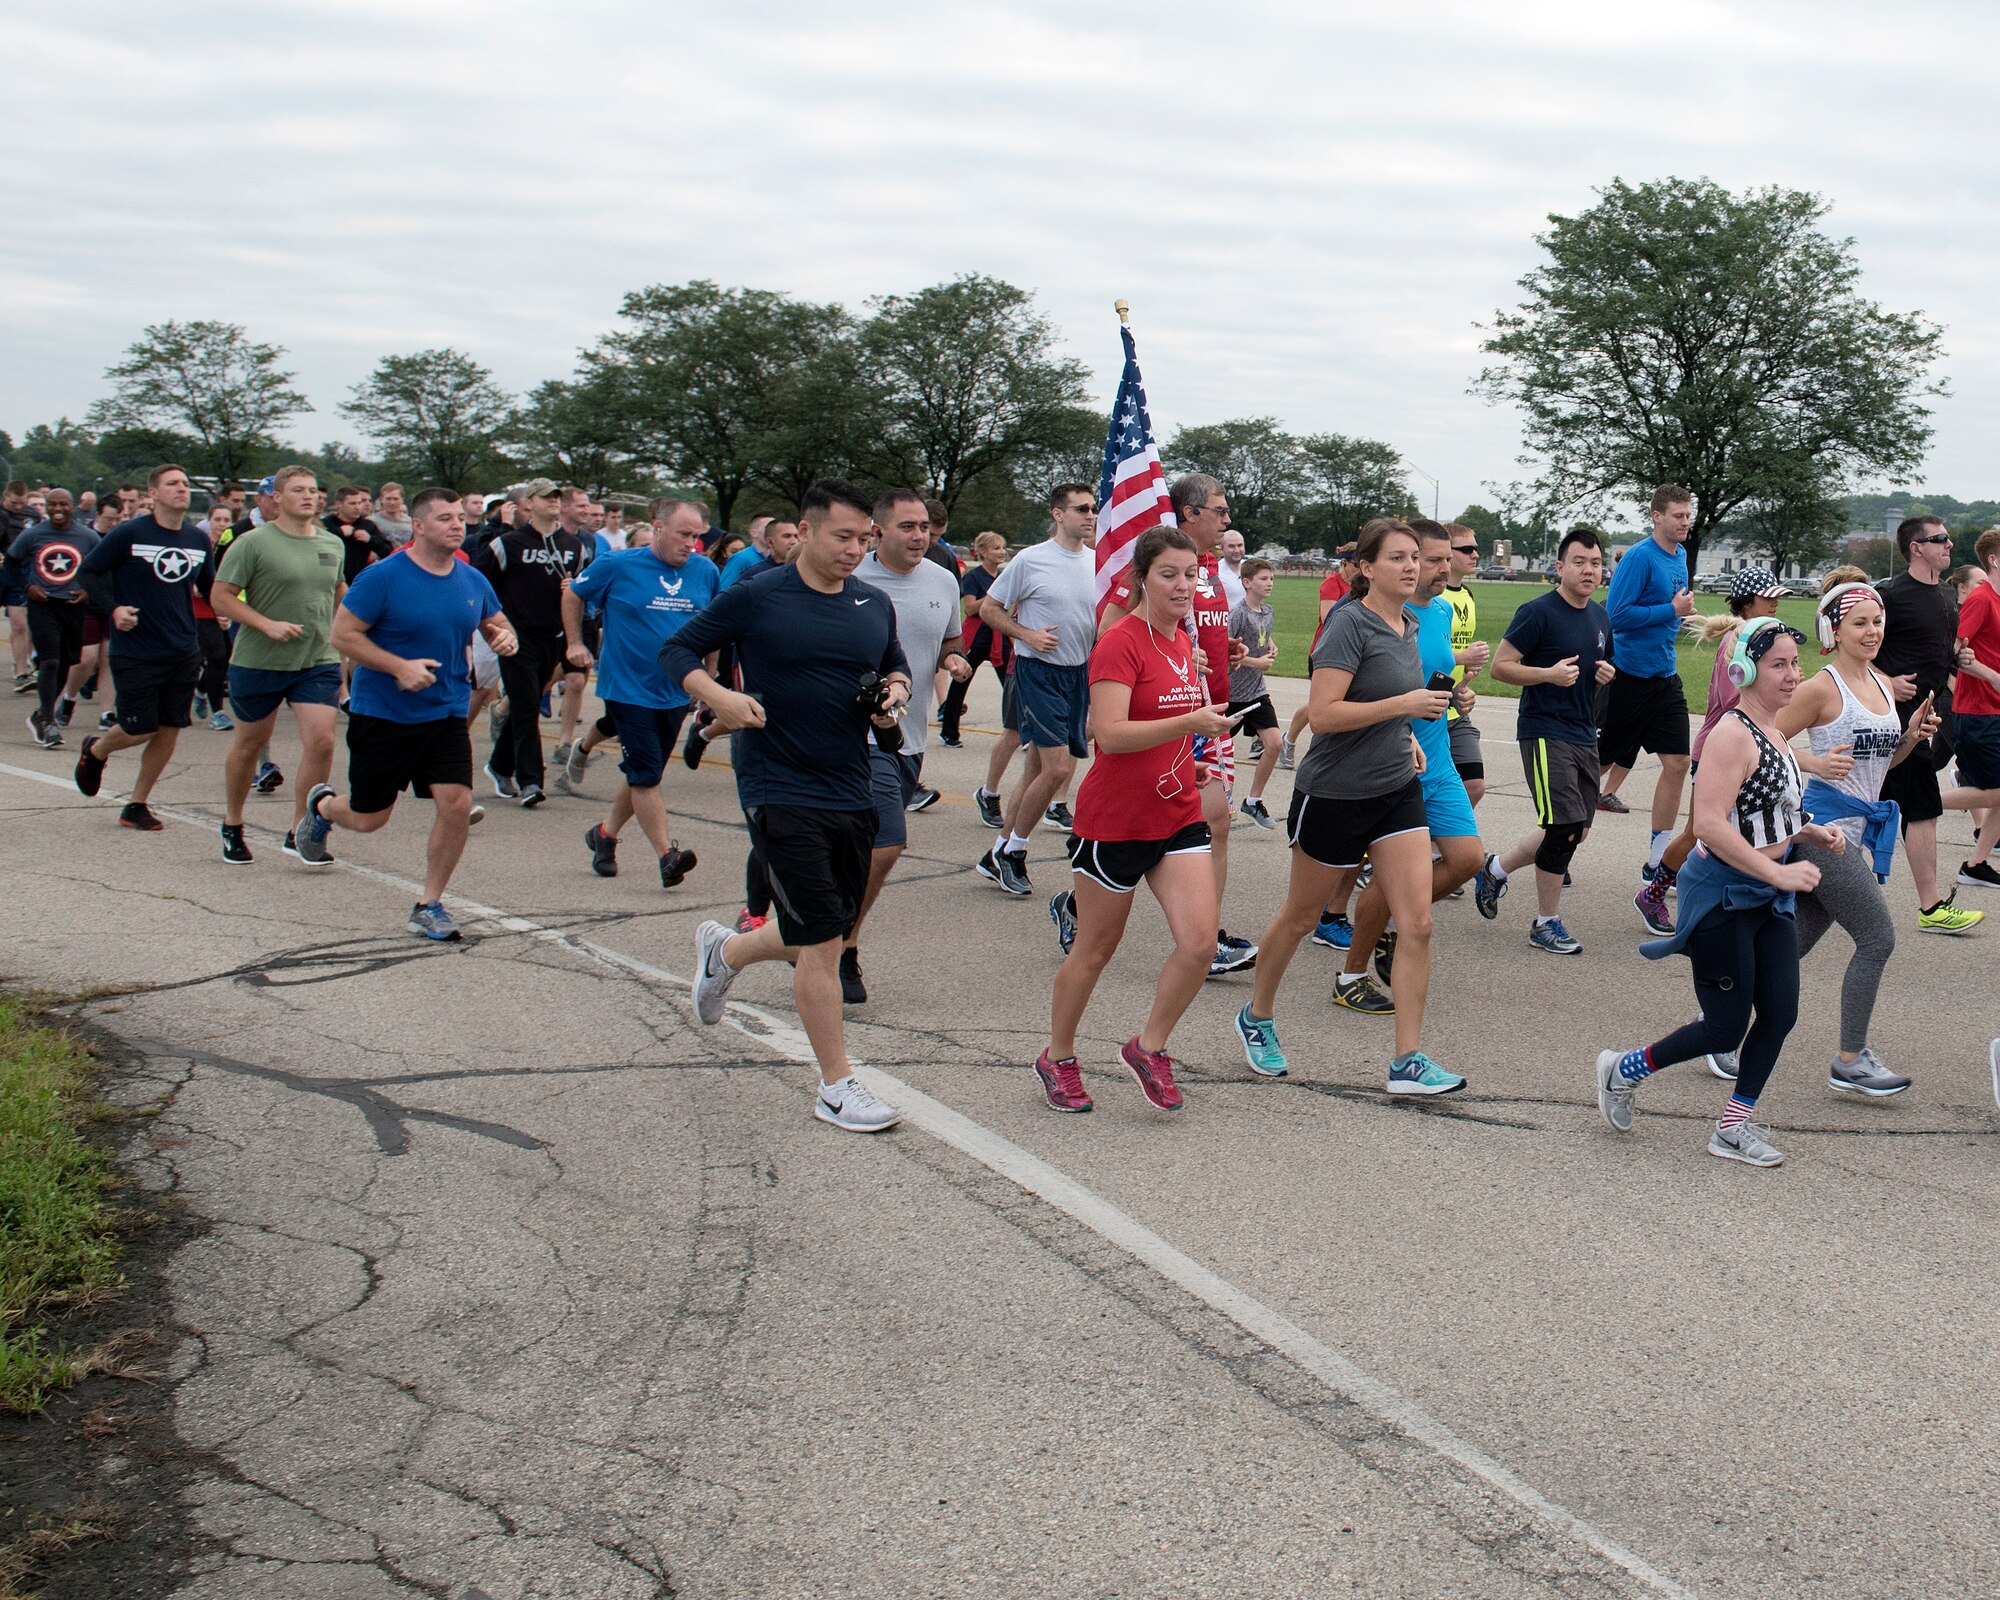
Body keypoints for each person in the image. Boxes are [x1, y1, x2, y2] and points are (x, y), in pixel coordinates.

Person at [668, 478, 912, 1135]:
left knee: (821, 924)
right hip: (778, 784)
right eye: (843, 537)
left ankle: (728, 953)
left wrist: (895, 692)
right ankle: (837, 1086)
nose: (856, 550)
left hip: (850, 781)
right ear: (803, 533)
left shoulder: (870, 602)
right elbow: (678, 650)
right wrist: (715, 696)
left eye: (865, 538)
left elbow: (894, 665)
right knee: (824, 943)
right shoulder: (758, 596)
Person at [1595, 619, 1851, 1168]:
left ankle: (1732, 1127)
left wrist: (1807, 831)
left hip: (1764, 895)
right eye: (1778, 665)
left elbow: (1767, 807)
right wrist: (1779, 872)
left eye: (1794, 664)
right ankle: (1623, 1069)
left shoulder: (1777, 730)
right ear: (1747, 671)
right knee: (1724, 1026)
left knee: (1780, 1014)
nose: (1791, 675)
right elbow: (1709, 824)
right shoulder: (1732, 734)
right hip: (1723, 894)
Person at [1234, 518, 1464, 1094]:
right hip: (1335, 793)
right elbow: (1325, 714)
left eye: (1415, 557)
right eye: (1397, 558)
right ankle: (1257, 1015)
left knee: (1418, 923)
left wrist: (1408, 731)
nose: (1411, 567)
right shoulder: (1348, 624)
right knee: (1301, 917)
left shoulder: (1409, 622)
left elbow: (1390, 701)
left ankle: (1407, 1061)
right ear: (1366, 568)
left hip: (1395, 791)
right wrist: (1403, 705)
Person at [1033, 526, 1227, 1113]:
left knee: (1198, 944)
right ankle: (1058, 1056)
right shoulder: (1120, 641)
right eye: (1168, 573)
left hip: (1176, 814)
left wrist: (1188, 762)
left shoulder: (1179, 642)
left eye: (1190, 575)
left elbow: (1166, 725)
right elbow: (1109, 736)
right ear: (1141, 578)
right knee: (1095, 948)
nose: (1182, 585)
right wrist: (1189, 726)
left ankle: (1150, 1046)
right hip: (1114, 821)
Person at [295, 491, 517, 938]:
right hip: (384, 714)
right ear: (418, 525)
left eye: (460, 518)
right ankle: (322, 807)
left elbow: (498, 622)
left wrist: (504, 639)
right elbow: (342, 635)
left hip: (446, 714)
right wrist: (398, 666)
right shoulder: (382, 577)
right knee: (370, 818)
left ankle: (429, 903)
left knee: (455, 804)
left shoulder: (472, 580)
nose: (457, 525)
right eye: (444, 518)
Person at [1769, 575, 1929, 1096]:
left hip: (1857, 830)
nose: (1872, 631)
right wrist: (1814, 760)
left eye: (1877, 621)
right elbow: (1761, 739)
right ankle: (1850, 1058)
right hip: (1822, 828)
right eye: (1859, 623)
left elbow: (1882, 765)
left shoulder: (1882, 684)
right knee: (1878, 937)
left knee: (1791, 945)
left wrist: (1909, 737)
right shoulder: (1821, 686)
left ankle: (1722, 1029)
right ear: (1833, 632)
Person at [1325, 521, 1486, 1008]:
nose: (1436, 569)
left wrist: (1457, 693)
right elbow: (1343, 698)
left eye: (1438, 560)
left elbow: (1431, 676)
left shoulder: (1435, 613)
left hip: (1437, 758)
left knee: (1467, 860)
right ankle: (1351, 973)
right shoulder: (1362, 619)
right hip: (1395, 763)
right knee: (1392, 879)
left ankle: (1391, 922)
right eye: (1427, 559)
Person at [844, 490, 970, 1002]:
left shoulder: (943, 578)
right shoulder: (851, 579)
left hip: (908, 737)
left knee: (860, 848)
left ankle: (822, 934)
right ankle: (843, 947)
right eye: (907, 527)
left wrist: (953, 661)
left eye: (925, 527)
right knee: (887, 843)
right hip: (856, 733)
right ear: (877, 532)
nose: (920, 536)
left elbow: (948, 641)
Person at [1474, 526, 1616, 954]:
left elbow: (1596, 665)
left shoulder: (1599, 616)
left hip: (1582, 731)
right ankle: (1545, 922)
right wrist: (1548, 674)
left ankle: (1496, 869)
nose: (1589, 570)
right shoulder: (1537, 611)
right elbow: (1501, 667)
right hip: (1543, 731)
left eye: (1595, 563)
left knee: (1578, 828)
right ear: (1560, 567)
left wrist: (1603, 673)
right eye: (1579, 562)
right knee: (1564, 825)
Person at [562, 497, 715, 889]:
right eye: (683, 534)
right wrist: (575, 643)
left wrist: (709, 677)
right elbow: (573, 594)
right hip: (627, 688)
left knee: (643, 774)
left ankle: (605, 835)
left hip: (676, 689)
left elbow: (715, 624)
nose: (690, 544)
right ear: (658, 526)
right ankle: (668, 856)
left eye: (696, 536)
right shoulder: (618, 564)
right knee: (646, 776)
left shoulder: (705, 571)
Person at [1633, 567, 1789, 936]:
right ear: (1749, 604)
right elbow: (1736, 701)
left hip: (1750, 753)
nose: (1776, 602)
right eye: (1769, 596)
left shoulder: (1761, 640)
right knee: (1697, 833)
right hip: (1719, 752)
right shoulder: (1736, 643)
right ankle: (1652, 894)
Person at [208, 466, 347, 866]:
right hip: (259, 659)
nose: (309, 496)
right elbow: (222, 596)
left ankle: (301, 829)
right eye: (298, 490)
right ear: (277, 497)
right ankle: (233, 823)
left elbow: (341, 593)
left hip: (316, 658)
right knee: (250, 744)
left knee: (321, 741)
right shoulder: (252, 543)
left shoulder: (331, 544)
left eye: (314, 490)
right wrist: (265, 624)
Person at [74, 465, 217, 829]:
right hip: (136, 647)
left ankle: (137, 804)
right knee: (140, 728)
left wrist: (230, 611)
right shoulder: (130, 533)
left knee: (169, 728)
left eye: (185, 483)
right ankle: (96, 750)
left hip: (183, 647)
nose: (182, 489)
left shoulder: (197, 540)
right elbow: (89, 572)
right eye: (173, 484)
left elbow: (211, 587)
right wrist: (114, 608)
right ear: (153, 493)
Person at [973, 482, 1097, 897]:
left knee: (1037, 770)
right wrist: (1025, 634)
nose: (1090, 515)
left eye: (1092, 508)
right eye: (1081, 508)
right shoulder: (1031, 560)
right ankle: (1015, 852)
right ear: (1058, 514)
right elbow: (989, 609)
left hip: (1077, 674)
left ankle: (997, 851)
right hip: (1037, 672)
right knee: (1059, 769)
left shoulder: (1097, 564)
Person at [1875, 514, 1984, 932]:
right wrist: (1886, 680)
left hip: (1925, 716)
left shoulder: (1944, 596)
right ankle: (1932, 905)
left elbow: (1935, 649)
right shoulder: (1889, 596)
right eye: (1939, 539)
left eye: (1949, 539)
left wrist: (1958, 659)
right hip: (1890, 718)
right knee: (1919, 809)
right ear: (1916, 548)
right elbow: (1846, 646)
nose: (1949, 545)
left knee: (1894, 806)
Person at [1595, 486, 1697, 885]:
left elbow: (1675, 608)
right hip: (1628, 678)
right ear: (1657, 516)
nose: (1684, 522)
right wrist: (1670, 610)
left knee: (1678, 763)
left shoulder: (1681, 556)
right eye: (1677, 515)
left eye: (1687, 515)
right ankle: (1559, 838)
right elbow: (1615, 616)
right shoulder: (1639, 557)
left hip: (1664, 677)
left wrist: (1683, 618)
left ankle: (1658, 861)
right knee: (1598, 766)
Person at [473, 477, 593, 806]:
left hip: (553, 636)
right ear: (530, 503)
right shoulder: (508, 543)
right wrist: (494, 624)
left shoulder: (575, 546)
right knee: (526, 706)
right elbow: (478, 579)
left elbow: (586, 591)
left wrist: (577, 631)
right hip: (515, 635)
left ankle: (499, 766)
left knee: (525, 703)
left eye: (556, 496)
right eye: (545, 497)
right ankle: (530, 781)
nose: (553, 501)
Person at [7, 489, 96, 747]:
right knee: (50, 662)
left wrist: (87, 591)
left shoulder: (87, 536)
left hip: (73, 605)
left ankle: (40, 714)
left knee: (67, 662)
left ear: (72, 506)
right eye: (53, 504)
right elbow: (12, 562)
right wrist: (27, 587)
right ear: (46, 507)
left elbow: (101, 566)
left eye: (63, 504)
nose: (58, 508)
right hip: (43, 604)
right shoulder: (33, 534)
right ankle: (49, 722)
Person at [1950, 528, 2000, 890]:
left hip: (1995, 709)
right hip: (1978, 710)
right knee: (1993, 791)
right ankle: (1911, 804)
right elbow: (1954, 650)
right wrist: (1992, 676)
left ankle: (1976, 864)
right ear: (1994, 560)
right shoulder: (1981, 599)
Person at [1277, 544, 1356, 769]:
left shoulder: (1365, 585)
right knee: (1321, 706)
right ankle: (1289, 739)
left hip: (1352, 653)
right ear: (1344, 563)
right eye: (1356, 565)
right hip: (1325, 653)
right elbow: (1329, 616)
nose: (1360, 570)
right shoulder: (1331, 584)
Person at [937, 531, 1010, 748]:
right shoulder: (973, 577)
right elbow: (969, 608)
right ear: (983, 552)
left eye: (1002, 547)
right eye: (996, 548)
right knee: (961, 682)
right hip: (977, 636)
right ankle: (949, 731)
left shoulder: (1003, 577)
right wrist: (993, 598)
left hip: (999, 635)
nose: (1002, 552)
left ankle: (1019, 732)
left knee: (1012, 685)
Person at [1227, 558, 1281, 825]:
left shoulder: (1267, 612)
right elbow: (1224, 652)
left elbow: (1263, 634)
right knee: (1211, 752)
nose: (1269, 582)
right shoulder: (1237, 614)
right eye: (1263, 578)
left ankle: (1252, 801)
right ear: (1247, 583)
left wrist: (1271, 646)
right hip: (1232, 695)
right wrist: (1256, 662)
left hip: (1256, 692)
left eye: (1271, 578)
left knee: (1275, 744)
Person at [1442, 525, 1490, 808]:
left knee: (1474, 785)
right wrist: (1462, 657)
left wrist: (1464, 685)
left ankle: (1439, 849)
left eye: (1475, 548)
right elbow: (1417, 651)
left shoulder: (1467, 596)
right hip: (1426, 706)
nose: (1475, 554)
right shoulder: (1432, 598)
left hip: (1455, 707)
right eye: (1466, 549)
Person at [1, 481, 32, 691]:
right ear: (5, 496)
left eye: (22, 503)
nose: (18, 507)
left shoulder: (32, 517)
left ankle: (21, 672)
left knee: (20, 624)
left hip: (17, 573)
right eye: (14, 503)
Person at [372, 482, 413, 546]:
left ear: (402, 500)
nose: (392, 503)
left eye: (395, 499)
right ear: (381, 499)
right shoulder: (372, 521)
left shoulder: (410, 522)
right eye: (388, 499)